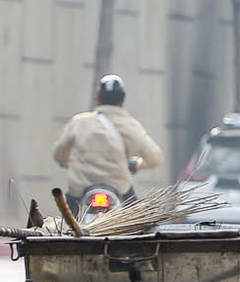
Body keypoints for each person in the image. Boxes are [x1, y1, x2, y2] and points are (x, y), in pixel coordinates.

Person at [52, 74, 164, 202]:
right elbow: (155, 158)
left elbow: (58, 152)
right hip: (119, 190)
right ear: (123, 100)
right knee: (140, 221)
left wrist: (68, 162)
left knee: (67, 220)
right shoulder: (131, 126)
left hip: (80, 190)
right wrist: (138, 164)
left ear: (98, 98)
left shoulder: (79, 122)